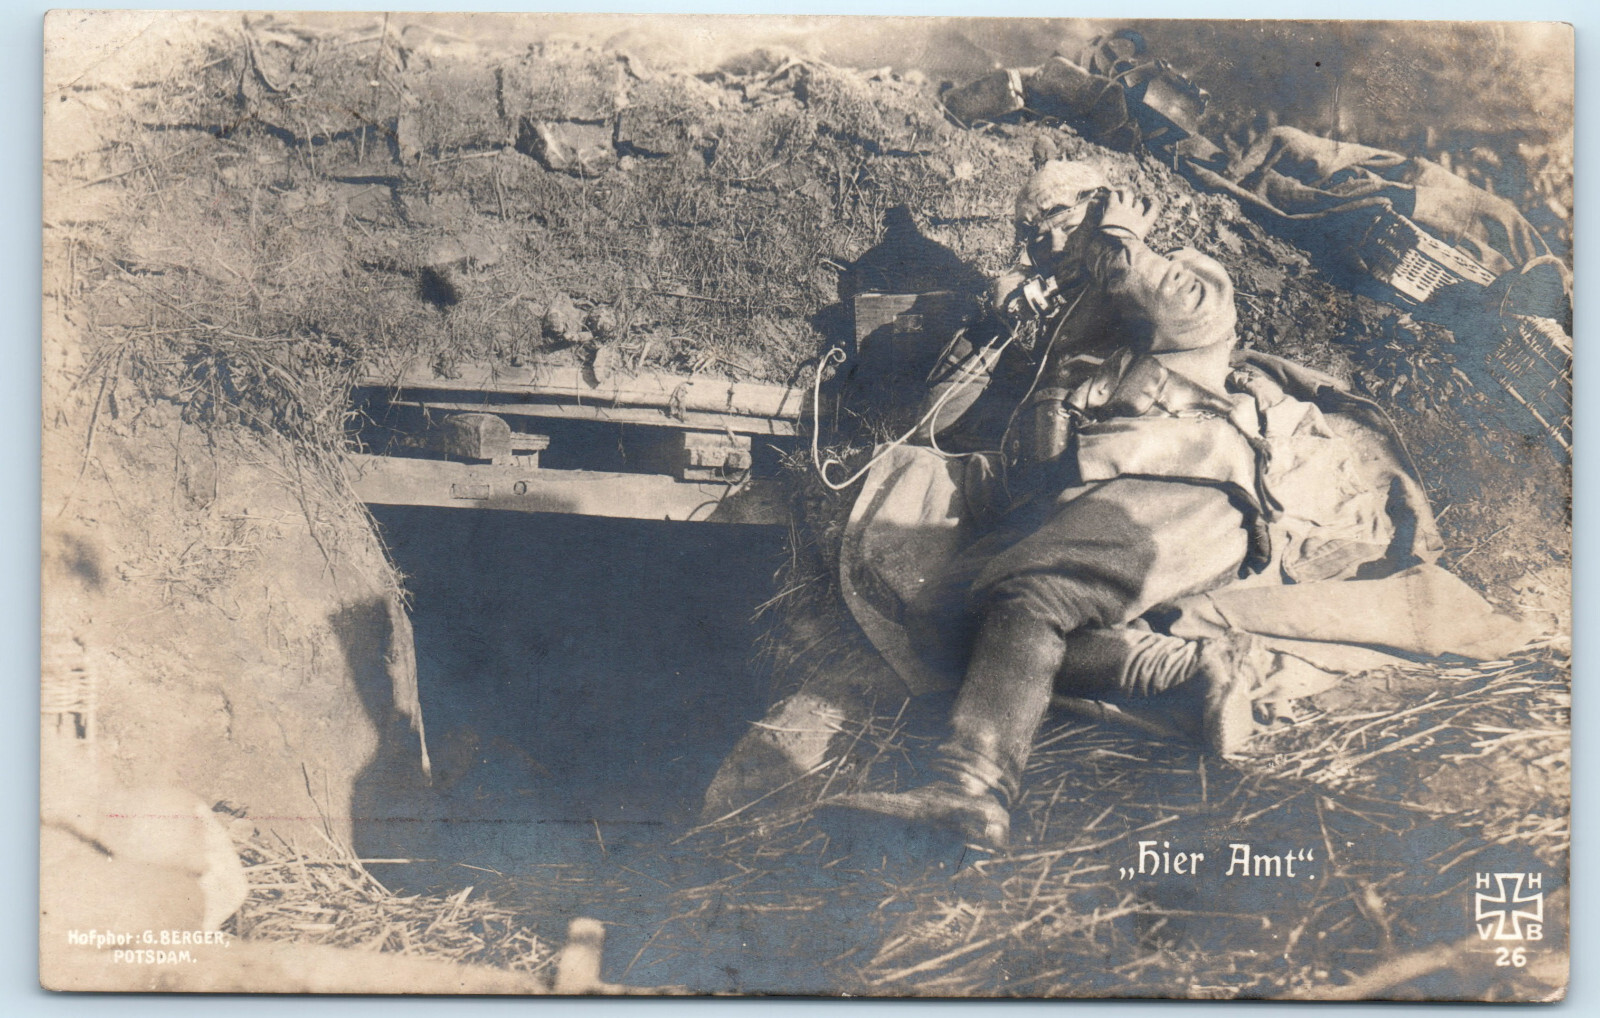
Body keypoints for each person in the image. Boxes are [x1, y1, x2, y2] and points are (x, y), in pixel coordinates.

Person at [829, 161, 1355, 848]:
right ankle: (1188, 671)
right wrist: (994, 334)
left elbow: (1199, 317)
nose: (1040, 239)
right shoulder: (1061, 314)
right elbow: (939, 418)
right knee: (940, 617)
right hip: (1082, 497)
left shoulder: (1171, 273)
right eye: (1028, 228)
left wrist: (1127, 247)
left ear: (1103, 208)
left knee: (1035, 593)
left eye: (1058, 219)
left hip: (1176, 485)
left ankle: (971, 788)